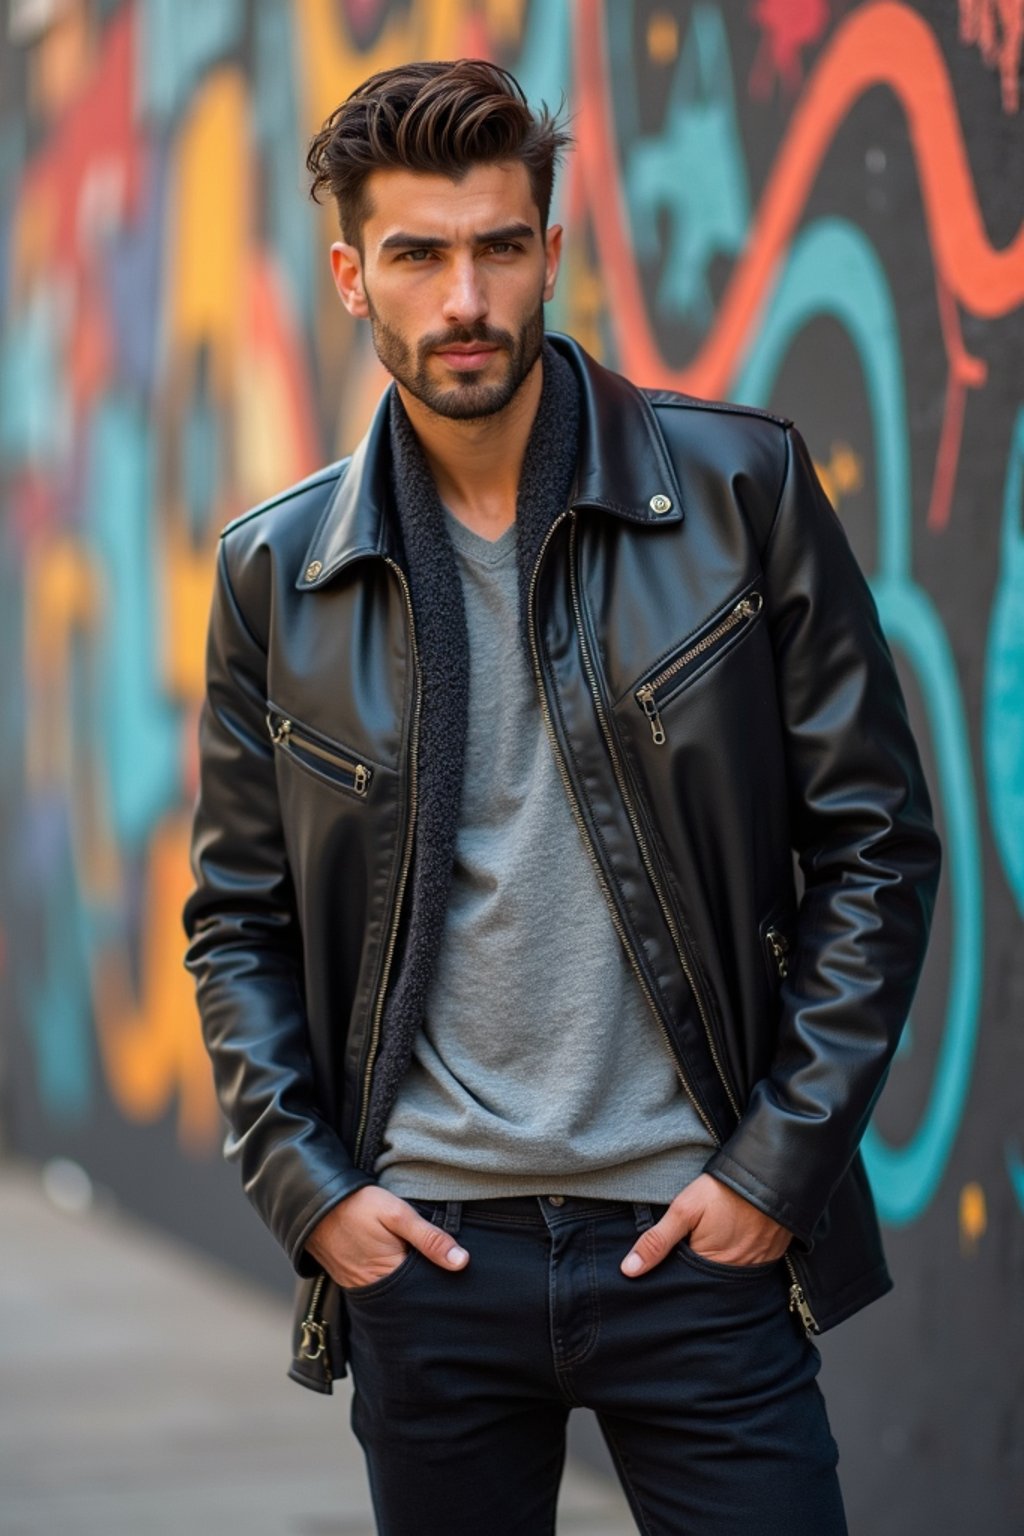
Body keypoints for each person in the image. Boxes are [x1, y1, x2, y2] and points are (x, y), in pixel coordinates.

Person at [182, 58, 942, 1536]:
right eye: (417, 254)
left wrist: (775, 1170)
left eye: (499, 246)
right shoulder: (276, 576)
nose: (465, 297)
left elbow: (877, 848)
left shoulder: (741, 492)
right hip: (428, 1260)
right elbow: (239, 919)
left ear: (548, 247)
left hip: (695, 1245)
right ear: (352, 274)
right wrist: (314, 1194)